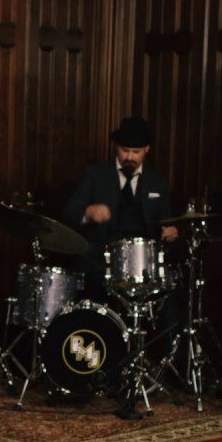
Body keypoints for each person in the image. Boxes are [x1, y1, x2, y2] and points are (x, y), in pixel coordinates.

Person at [62, 116, 178, 302]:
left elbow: (167, 222)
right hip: (100, 266)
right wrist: (89, 212)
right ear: (116, 147)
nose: (129, 157)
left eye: (136, 152)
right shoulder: (95, 175)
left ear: (147, 149)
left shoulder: (158, 183)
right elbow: (69, 214)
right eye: (125, 151)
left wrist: (170, 232)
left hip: (144, 268)